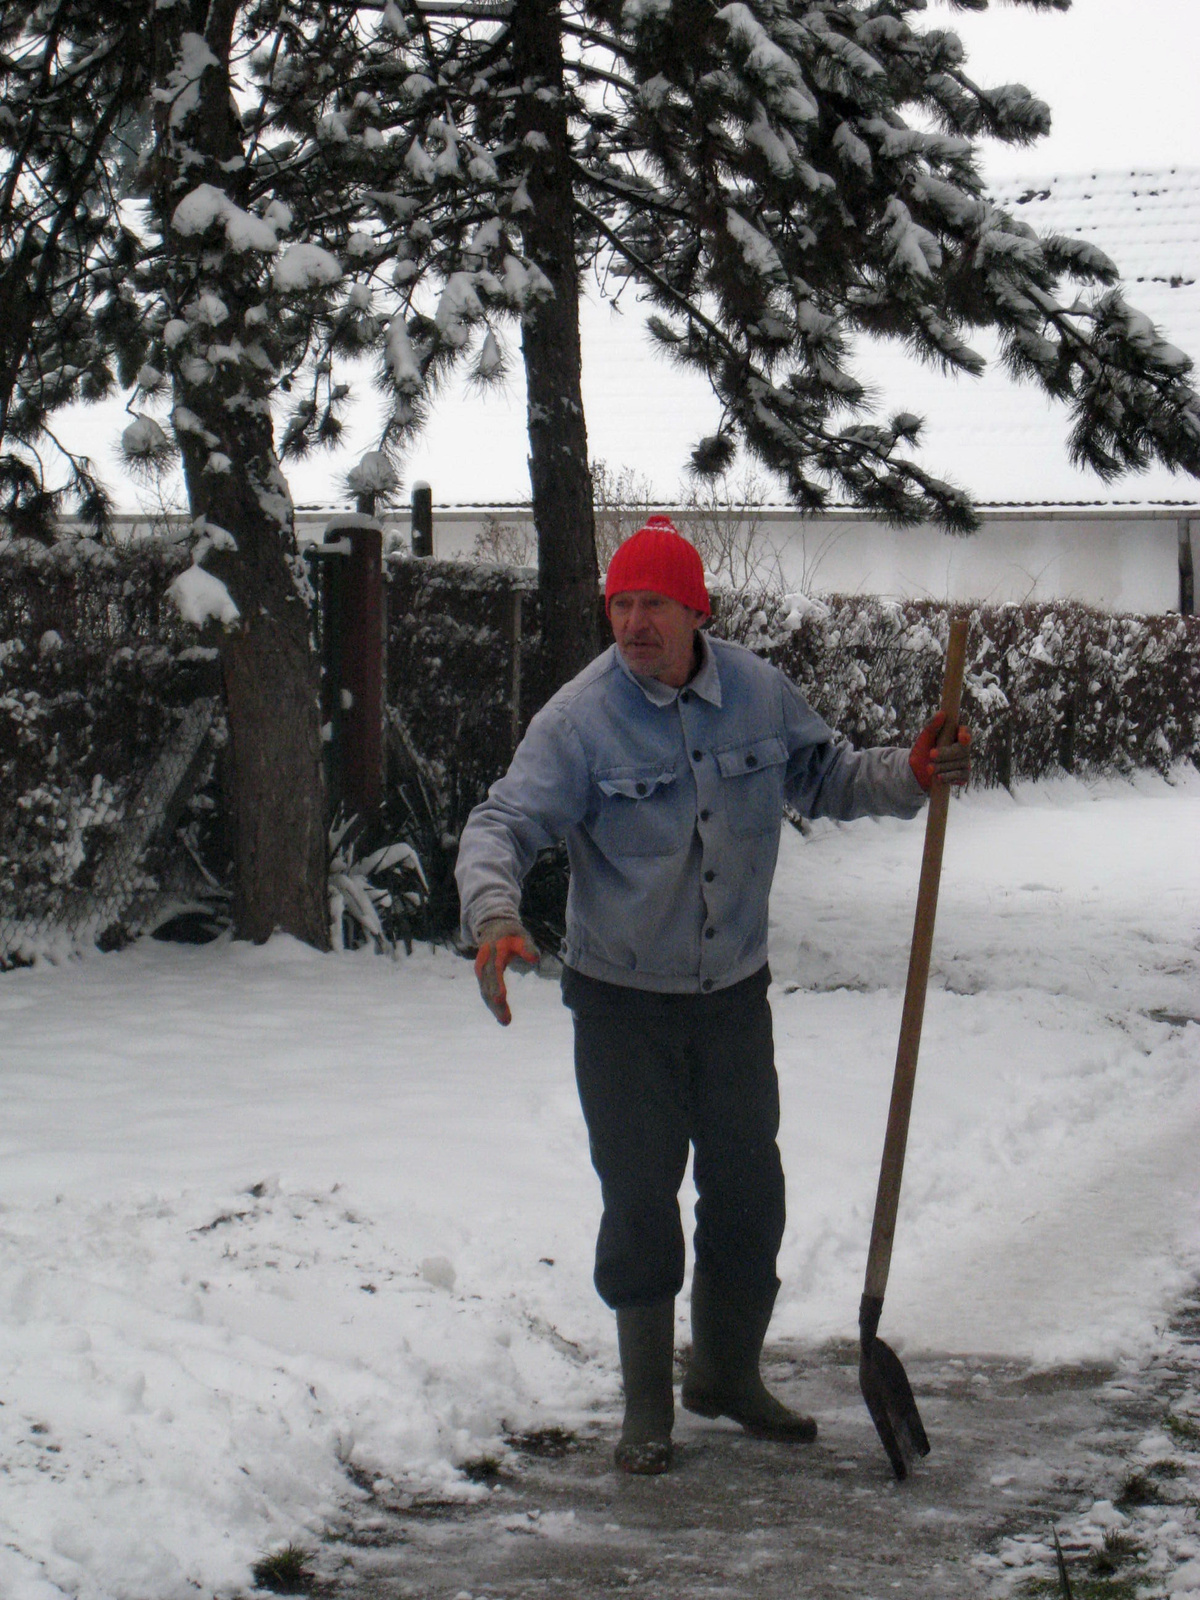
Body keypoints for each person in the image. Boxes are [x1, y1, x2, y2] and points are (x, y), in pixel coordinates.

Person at [455, 516, 970, 1475]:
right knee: (641, 1199)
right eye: (620, 602)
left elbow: (826, 778)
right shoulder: (578, 720)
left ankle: (725, 1377)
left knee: (749, 1194)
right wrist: (493, 914)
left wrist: (910, 771)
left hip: (733, 995)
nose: (635, 622)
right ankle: (647, 1408)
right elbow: (505, 822)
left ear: (699, 610)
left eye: (654, 603)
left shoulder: (760, 695)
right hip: (623, 1007)